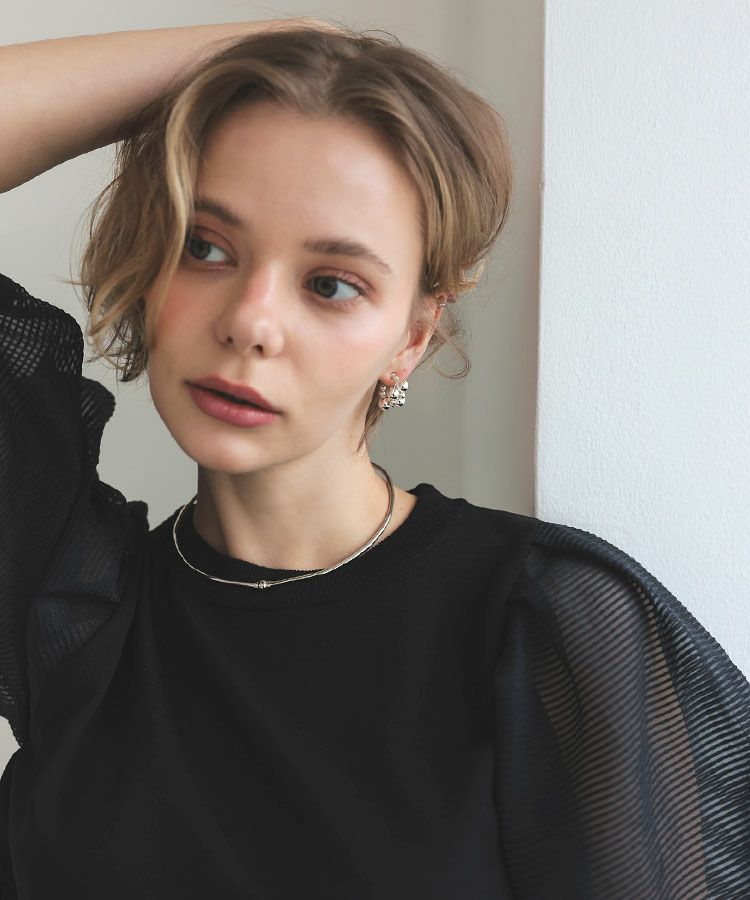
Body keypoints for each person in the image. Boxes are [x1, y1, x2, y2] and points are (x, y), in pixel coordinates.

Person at [0, 19, 748, 900]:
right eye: (206, 246)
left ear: (413, 336)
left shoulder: (541, 624)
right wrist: (266, 40)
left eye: (331, 284)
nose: (250, 321)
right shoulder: (71, 606)